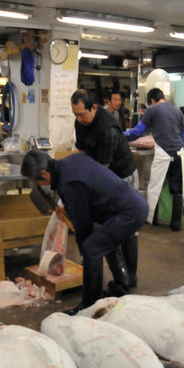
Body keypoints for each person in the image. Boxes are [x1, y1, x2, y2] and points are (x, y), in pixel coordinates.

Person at [21, 149, 147, 314]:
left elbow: (83, 224)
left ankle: (88, 306)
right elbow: (87, 191)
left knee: (91, 248)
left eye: (36, 181)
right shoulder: (70, 161)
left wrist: (84, 248)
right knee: (103, 240)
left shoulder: (68, 183)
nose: (39, 185)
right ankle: (121, 285)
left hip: (128, 213)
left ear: (44, 173)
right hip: (132, 204)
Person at [71, 88, 139, 294]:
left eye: (82, 114)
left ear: (94, 108)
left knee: (125, 226)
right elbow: (82, 153)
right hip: (101, 171)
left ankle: (130, 275)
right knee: (104, 222)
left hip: (122, 176)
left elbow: (103, 170)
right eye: (75, 115)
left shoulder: (108, 129)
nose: (79, 119)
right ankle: (102, 266)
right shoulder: (80, 122)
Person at [124, 88, 184, 230]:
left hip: (163, 153)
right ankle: (176, 223)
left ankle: (152, 219)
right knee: (177, 190)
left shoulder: (152, 110)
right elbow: (182, 134)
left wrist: (121, 135)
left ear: (151, 100)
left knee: (155, 187)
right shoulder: (177, 111)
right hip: (179, 153)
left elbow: (137, 132)